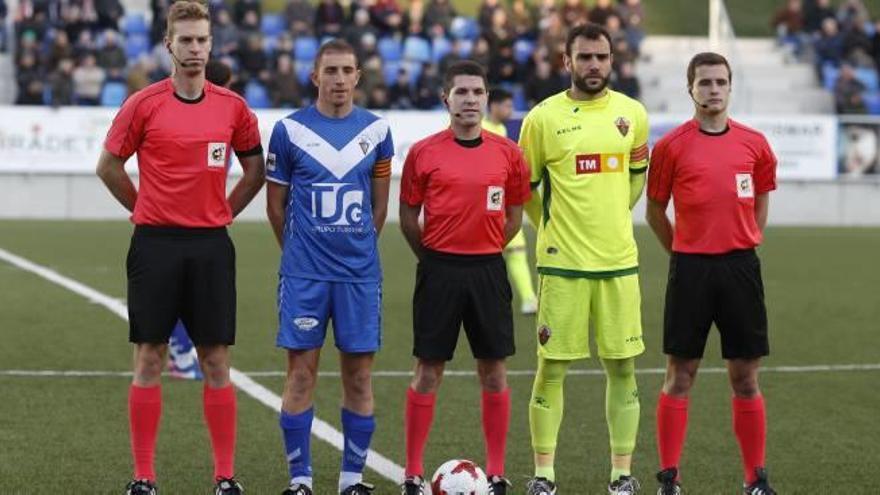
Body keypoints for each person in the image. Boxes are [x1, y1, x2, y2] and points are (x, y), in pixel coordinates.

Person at [95, 2, 265, 494]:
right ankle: (144, 477)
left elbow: (254, 171)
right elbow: (108, 166)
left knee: (216, 359)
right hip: (155, 243)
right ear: (168, 44)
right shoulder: (143, 104)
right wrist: (143, 206)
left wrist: (225, 211)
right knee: (150, 356)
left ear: (212, 45)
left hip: (211, 245)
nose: (194, 49)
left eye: (202, 40)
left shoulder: (232, 108)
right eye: (185, 40)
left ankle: (225, 477)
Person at [518, 23, 649, 495]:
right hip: (563, 265)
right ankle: (544, 475)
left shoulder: (632, 115)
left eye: (602, 57)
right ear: (566, 62)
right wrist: (552, 228)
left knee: (623, 368)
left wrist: (610, 217)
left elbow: (635, 181)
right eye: (585, 57)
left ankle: (621, 474)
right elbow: (526, 189)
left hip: (618, 263)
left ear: (612, 60)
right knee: (552, 368)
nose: (594, 65)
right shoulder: (542, 118)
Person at [265, 39, 394, 495]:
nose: (339, 79)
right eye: (331, 71)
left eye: (347, 70)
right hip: (304, 276)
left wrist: (353, 248)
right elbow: (275, 208)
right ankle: (300, 480)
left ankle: (351, 481)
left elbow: (379, 210)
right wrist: (302, 254)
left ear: (358, 76)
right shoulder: (289, 131)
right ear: (315, 76)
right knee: (301, 374)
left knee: (359, 376)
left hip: (359, 276)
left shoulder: (377, 132)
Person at [646, 52, 778, 495]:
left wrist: (747, 237)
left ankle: (754, 478)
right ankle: (670, 477)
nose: (713, 90)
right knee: (680, 374)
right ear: (690, 89)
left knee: (746, 377)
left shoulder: (755, 144)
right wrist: (681, 252)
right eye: (704, 83)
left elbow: (760, 200)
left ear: (730, 86)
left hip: (741, 269)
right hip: (691, 269)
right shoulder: (670, 147)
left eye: (720, 82)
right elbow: (654, 211)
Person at [399, 60, 530, 495]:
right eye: (462, 92)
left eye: (478, 92)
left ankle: (495, 472)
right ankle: (413, 473)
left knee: (493, 370)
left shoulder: (508, 153)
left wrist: (488, 245)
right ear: (445, 99)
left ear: (487, 99)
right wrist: (433, 256)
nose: (470, 99)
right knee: (428, 369)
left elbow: (514, 215)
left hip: (488, 272)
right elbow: (407, 215)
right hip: (439, 270)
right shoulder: (424, 151)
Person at [165, 58, 235, 382]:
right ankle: (180, 355)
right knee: (181, 299)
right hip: (183, 227)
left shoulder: (226, 117)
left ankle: (180, 353)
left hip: (198, 224)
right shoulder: (208, 118)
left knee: (186, 300)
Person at [482, 87, 539, 315]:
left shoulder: (501, 128)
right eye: (506, 105)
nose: (510, 109)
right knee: (494, 252)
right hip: (488, 202)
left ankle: (528, 299)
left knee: (516, 249)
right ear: (493, 106)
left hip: (503, 198)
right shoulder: (483, 129)